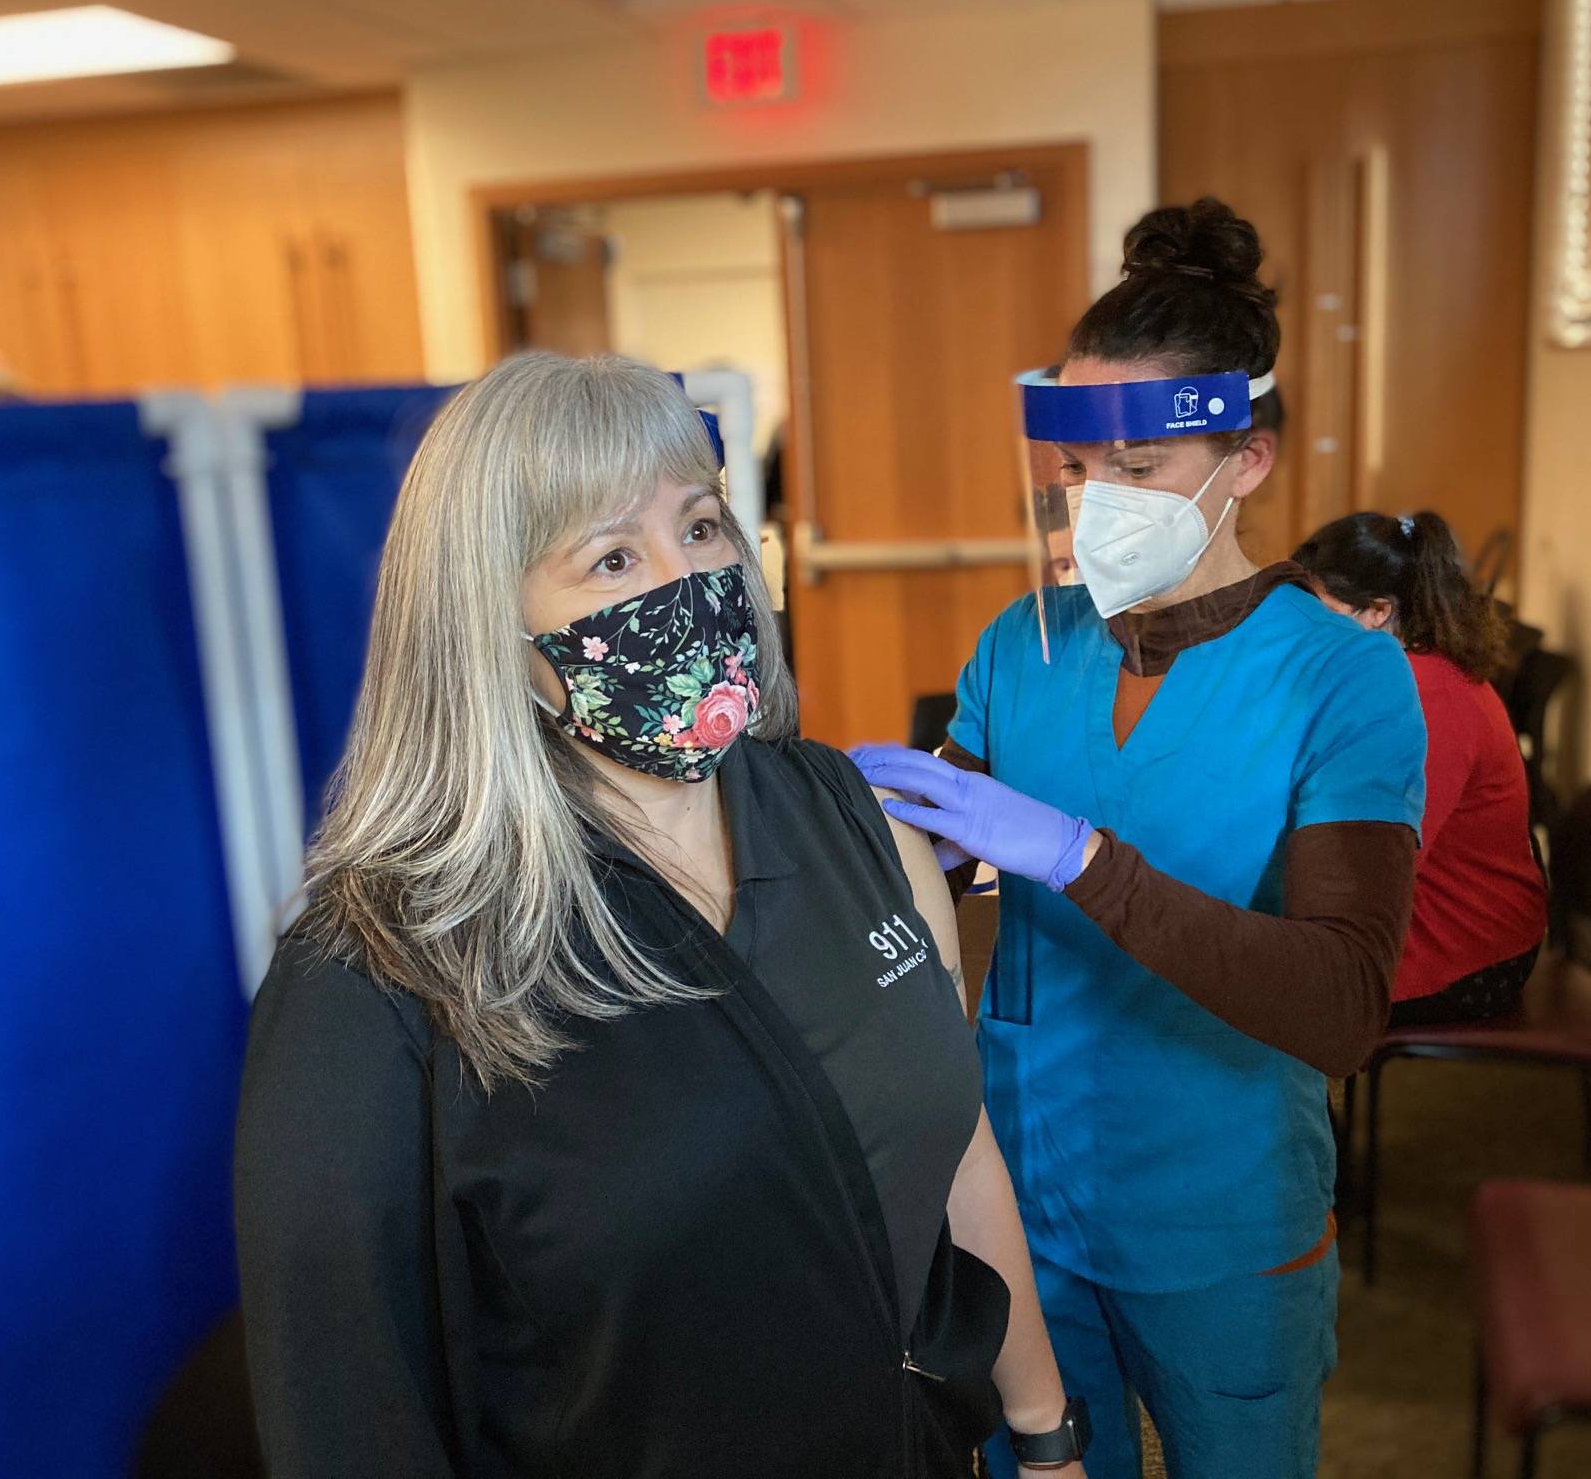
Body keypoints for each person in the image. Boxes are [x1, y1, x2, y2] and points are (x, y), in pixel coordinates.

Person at [234, 353, 1090, 1478]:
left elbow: (954, 1142)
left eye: (700, 528)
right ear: (489, 630)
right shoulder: (379, 970)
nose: (683, 584)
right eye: (611, 557)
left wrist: (1045, 1433)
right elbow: (349, 1407)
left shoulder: (851, 819)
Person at [852, 198, 1428, 1479]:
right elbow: (930, 860)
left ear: (1249, 465)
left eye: (1140, 471)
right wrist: (857, 824)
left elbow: (1341, 1008)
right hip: (1028, 1200)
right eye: (1076, 470)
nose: (1094, 505)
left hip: (1220, 1218)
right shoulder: (1025, 643)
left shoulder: (1341, 682)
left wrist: (1078, 857)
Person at [1292, 510, 1548, 1026]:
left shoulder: (1430, 695)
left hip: (1468, 946)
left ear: (1378, 611)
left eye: (1315, 612)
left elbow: (1383, 860)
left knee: (1247, 980)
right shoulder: (1402, 673)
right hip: (1437, 908)